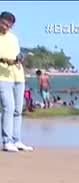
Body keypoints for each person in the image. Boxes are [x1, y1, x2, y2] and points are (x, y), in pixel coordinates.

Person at [0, 12, 32, 152]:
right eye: (4, 23)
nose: (6, 27)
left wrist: (20, 58)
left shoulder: (13, 38)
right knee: (8, 108)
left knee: (18, 110)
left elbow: (17, 54)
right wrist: (5, 60)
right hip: (3, 77)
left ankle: (16, 140)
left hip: (18, 76)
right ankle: (7, 141)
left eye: (9, 25)